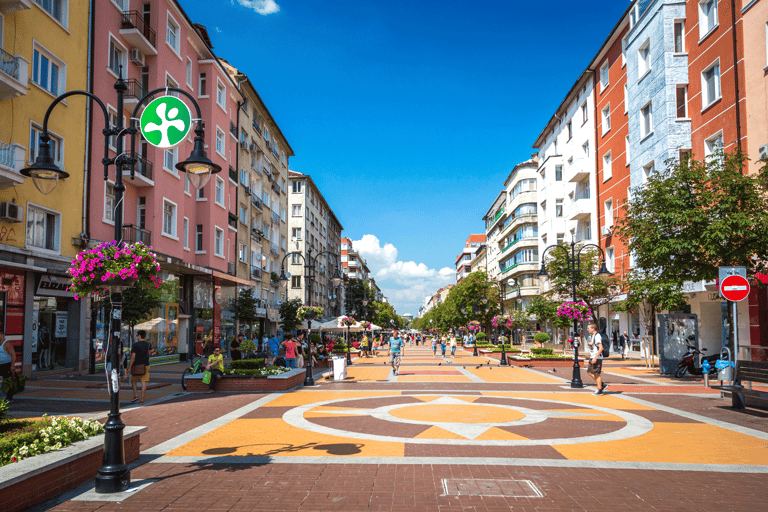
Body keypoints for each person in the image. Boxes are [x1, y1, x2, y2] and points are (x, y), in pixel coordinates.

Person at [125, 330, 150, 404]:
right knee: (144, 383)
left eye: (137, 335)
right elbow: (149, 354)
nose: (137, 337)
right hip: (146, 365)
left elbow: (133, 357)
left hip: (136, 366)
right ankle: (142, 400)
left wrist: (129, 367)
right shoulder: (148, 344)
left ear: (139, 335)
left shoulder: (135, 345)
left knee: (133, 381)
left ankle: (136, 395)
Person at [586, 322, 608, 395]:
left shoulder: (597, 336)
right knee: (589, 372)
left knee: (596, 374)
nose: (587, 329)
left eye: (588, 328)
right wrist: (589, 343)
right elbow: (593, 344)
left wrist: (595, 357)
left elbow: (601, 348)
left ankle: (599, 390)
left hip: (597, 357)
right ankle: (601, 384)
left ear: (593, 328)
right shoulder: (593, 336)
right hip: (593, 356)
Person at [0, 333, 18, 402]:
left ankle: (9, 397)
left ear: (2, 335)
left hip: (6, 365)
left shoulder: (7, 344)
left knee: (8, 381)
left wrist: (12, 365)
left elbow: (13, 354)